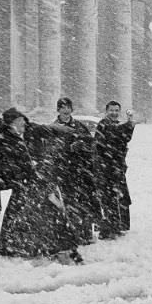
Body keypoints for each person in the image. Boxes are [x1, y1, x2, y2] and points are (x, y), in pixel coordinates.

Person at [0, 108, 83, 264]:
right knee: (31, 217)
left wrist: (62, 129)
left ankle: (58, 248)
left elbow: (46, 129)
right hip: (26, 185)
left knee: (49, 214)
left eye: (23, 120)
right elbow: (8, 165)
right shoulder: (8, 140)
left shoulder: (26, 132)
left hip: (37, 182)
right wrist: (25, 173)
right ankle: (22, 248)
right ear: (11, 124)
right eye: (19, 121)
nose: (23, 123)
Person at [53, 97, 98, 244]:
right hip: (64, 172)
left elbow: (91, 145)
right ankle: (70, 234)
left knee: (84, 203)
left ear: (72, 109)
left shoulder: (79, 126)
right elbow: (51, 149)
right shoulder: (53, 127)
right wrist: (67, 149)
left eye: (68, 107)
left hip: (81, 171)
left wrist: (82, 146)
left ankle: (84, 233)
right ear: (58, 110)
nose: (66, 110)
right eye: (62, 108)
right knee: (67, 203)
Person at [94, 101, 136, 239]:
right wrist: (128, 125)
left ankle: (119, 227)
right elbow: (110, 137)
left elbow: (126, 138)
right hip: (105, 167)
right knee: (108, 199)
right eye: (111, 110)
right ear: (106, 111)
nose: (114, 113)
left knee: (122, 198)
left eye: (117, 110)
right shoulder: (103, 124)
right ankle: (107, 229)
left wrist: (130, 125)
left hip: (118, 167)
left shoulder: (118, 125)